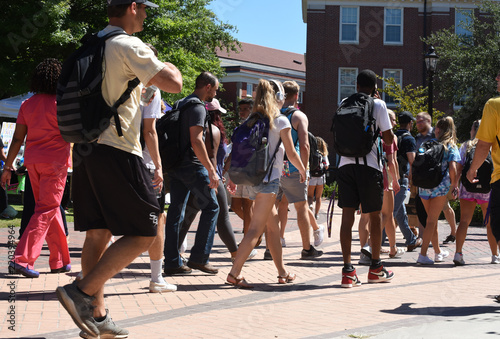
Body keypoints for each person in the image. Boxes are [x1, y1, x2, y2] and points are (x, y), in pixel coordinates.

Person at [55, 1, 183, 338]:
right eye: (143, 9)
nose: (145, 15)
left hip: (85, 149)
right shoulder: (127, 43)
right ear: (130, 7)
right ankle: (81, 292)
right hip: (118, 149)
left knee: (98, 232)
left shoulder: (93, 42)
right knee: (147, 229)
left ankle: (96, 316)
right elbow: (173, 83)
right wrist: (166, 63)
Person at [226, 79, 306, 288]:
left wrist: (231, 177)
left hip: (252, 180)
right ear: (278, 97)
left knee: (273, 227)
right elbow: (291, 152)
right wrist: (303, 169)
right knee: (255, 230)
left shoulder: (250, 120)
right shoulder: (280, 121)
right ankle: (234, 273)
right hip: (268, 181)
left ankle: (282, 272)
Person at [3, 58, 71, 279]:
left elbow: (17, 139)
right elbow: (74, 134)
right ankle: (21, 260)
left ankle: (59, 260)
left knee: (49, 207)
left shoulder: (27, 104)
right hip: (56, 162)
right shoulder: (63, 104)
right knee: (47, 209)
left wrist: (7, 166)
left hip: (33, 162)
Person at [178, 99, 256, 261]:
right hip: (212, 177)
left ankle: (174, 252)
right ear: (216, 115)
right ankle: (236, 253)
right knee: (222, 217)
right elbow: (213, 157)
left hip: (198, 175)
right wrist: (214, 176)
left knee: (189, 215)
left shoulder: (196, 130)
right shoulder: (213, 130)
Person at [337, 69, 395, 288]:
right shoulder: (378, 105)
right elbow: (388, 139)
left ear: (357, 86)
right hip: (368, 166)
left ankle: (348, 272)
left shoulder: (343, 102)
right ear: (375, 87)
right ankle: (376, 268)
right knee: (374, 215)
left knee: (347, 217)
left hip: (344, 164)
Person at [163, 71, 220, 276]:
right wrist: (211, 169)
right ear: (207, 87)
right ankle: (199, 258)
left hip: (175, 165)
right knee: (212, 207)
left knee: (176, 212)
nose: (216, 92)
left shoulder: (181, 103)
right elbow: (196, 140)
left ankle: (171, 261)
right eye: (215, 88)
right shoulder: (197, 107)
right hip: (191, 166)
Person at [140, 43, 177, 293]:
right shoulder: (152, 89)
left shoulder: (116, 82)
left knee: (106, 221)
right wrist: (159, 166)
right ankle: (156, 278)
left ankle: (90, 276)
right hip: (143, 161)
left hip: (112, 157)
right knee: (157, 220)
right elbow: (150, 130)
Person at [276, 80, 324, 259]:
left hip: (274, 166)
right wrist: (305, 168)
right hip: (293, 166)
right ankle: (306, 249)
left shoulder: (273, 114)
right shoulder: (298, 116)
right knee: (301, 207)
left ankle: (270, 247)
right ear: (297, 95)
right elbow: (304, 145)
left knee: (272, 207)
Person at [467, 71, 500, 303]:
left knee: (498, 229)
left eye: (499, 76)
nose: (496, 79)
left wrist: (472, 169)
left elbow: (485, 143)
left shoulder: (494, 105)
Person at [417, 117, 460, 265]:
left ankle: (437, 252)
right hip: (440, 187)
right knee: (431, 221)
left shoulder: (426, 144)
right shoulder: (451, 146)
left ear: (437, 130)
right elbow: (453, 168)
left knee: (431, 220)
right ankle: (422, 255)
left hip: (423, 186)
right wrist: (454, 184)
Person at [455, 120, 500, 265]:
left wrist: (455, 184)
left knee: (464, 221)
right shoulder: (492, 146)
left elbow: (459, 168)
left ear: (474, 130)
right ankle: (495, 255)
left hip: (468, 188)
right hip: (487, 189)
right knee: (490, 223)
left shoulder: (466, 146)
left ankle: (458, 254)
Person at [394, 111, 422, 251]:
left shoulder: (393, 136)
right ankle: (374, 244)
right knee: (392, 212)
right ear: (410, 123)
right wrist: (411, 179)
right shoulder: (409, 139)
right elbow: (412, 161)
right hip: (402, 178)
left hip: (390, 176)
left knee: (400, 212)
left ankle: (411, 240)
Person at [230, 98, 255, 236]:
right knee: (234, 206)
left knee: (247, 206)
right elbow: (234, 149)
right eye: (240, 109)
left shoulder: (255, 127)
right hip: (236, 170)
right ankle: (256, 229)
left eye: (246, 109)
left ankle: (249, 238)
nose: (242, 111)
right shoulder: (239, 128)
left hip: (249, 170)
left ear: (252, 109)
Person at [307, 136, 329, 220]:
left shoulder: (311, 153)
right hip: (321, 177)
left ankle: (310, 206)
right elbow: (326, 166)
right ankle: (316, 214)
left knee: (309, 196)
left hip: (312, 176)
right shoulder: (323, 154)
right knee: (318, 197)